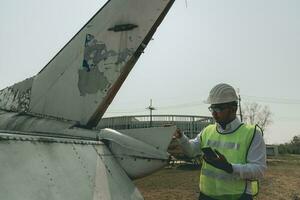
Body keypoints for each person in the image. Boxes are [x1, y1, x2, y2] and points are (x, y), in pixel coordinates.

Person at [174, 83, 267, 200]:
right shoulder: (208, 130)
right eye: (212, 108)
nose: (214, 113)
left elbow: (259, 170)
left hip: (237, 197)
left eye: (218, 108)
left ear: (234, 108)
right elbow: (191, 151)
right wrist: (181, 137)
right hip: (206, 195)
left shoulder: (252, 133)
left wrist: (230, 167)